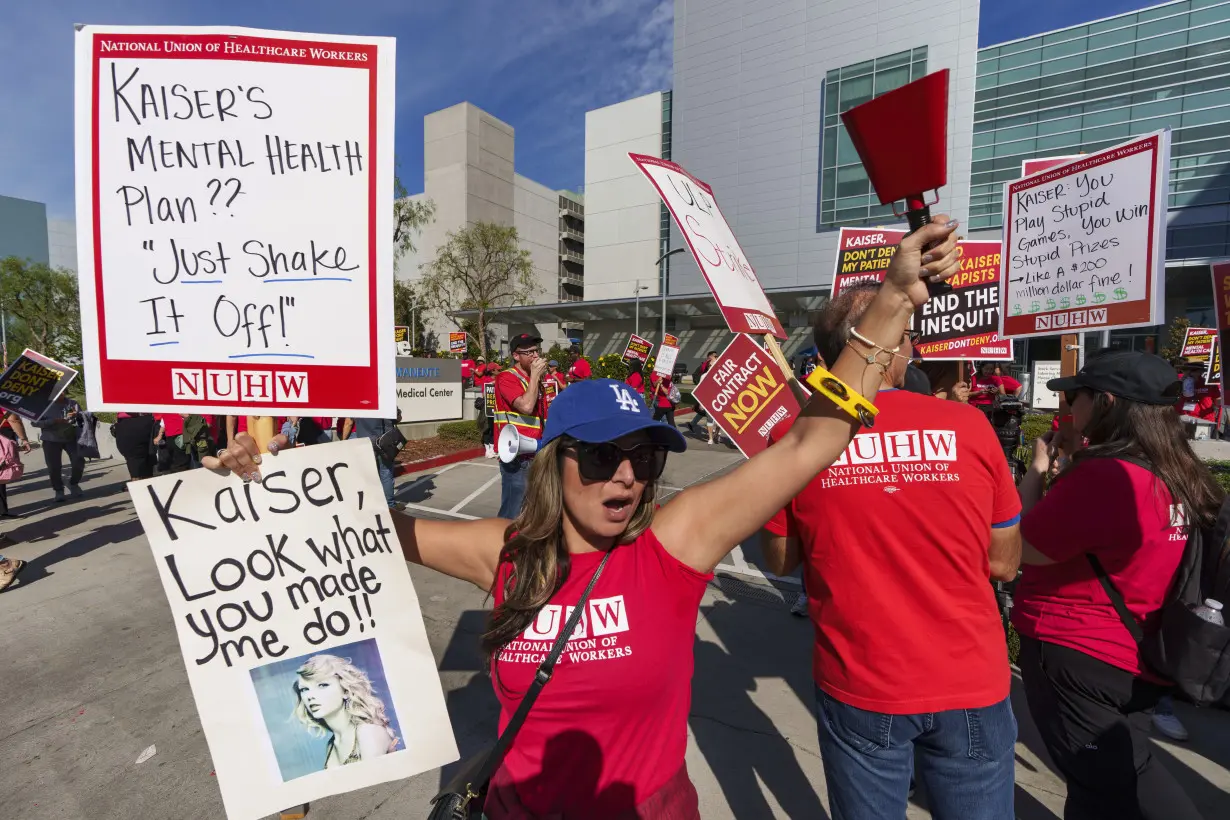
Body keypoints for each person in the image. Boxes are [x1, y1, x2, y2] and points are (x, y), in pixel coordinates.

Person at [204, 216, 963, 819]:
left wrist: (892, 299)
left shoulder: (674, 544)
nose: (626, 476)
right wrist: (265, 469)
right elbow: (363, 521)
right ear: (556, 460)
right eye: (601, 457)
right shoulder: (501, 552)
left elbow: (814, 439)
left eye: (645, 457)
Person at [760, 278, 1022, 819]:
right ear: (893, 345)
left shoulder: (796, 435)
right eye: (909, 334)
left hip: (861, 681)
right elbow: (1003, 562)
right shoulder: (970, 425)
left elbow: (782, 562)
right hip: (969, 679)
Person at [1013, 350, 1217, 820]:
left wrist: (1039, 470)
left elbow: (1020, 548)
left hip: (1078, 651)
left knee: (1121, 782)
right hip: (1142, 652)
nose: (1068, 410)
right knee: (1095, 790)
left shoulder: (1106, 476)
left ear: (1105, 402)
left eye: (1076, 399)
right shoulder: (1178, 469)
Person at [292, 654, 400, 768]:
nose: (310, 696)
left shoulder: (368, 733)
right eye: (304, 689)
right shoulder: (331, 745)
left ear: (346, 691)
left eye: (322, 685)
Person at [494, 333, 549, 519]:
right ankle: (502, 546)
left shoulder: (534, 380)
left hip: (535, 452)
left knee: (531, 513)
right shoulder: (506, 378)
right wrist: (535, 376)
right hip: (517, 457)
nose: (535, 356)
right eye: (529, 352)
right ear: (516, 356)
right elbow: (526, 406)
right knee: (512, 513)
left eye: (536, 351)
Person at [32, 396, 85, 502]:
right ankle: (58, 490)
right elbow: (34, 422)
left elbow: (83, 418)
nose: (60, 393)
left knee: (78, 461)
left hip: (70, 437)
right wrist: (53, 421)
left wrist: (77, 415)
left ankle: (73, 483)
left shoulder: (72, 403)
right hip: (50, 439)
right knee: (54, 467)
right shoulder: (43, 405)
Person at [341, 414, 401, 508]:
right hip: (385, 441)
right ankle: (389, 505)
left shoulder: (358, 403)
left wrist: (343, 441)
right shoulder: (386, 401)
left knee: (367, 474)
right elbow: (397, 418)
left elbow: (348, 423)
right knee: (386, 473)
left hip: (365, 442)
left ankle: (370, 505)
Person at [0, 412, 31, 518]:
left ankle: (2, 511)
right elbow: (12, 419)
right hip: (3, 433)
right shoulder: (4, 397)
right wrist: (24, 439)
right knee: (2, 472)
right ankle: (2, 512)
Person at [113, 412, 159, 480]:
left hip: (132, 424)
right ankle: (143, 482)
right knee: (143, 457)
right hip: (143, 422)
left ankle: (138, 482)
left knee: (135, 458)